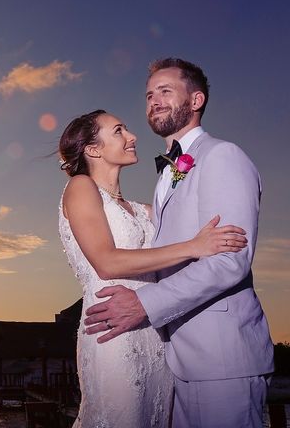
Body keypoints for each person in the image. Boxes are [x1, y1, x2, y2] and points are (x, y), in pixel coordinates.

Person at [83, 58, 274, 428]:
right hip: (175, 358)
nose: (154, 100)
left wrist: (144, 303)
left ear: (196, 100)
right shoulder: (168, 175)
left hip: (222, 357)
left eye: (166, 91)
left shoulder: (222, 156)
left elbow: (229, 260)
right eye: (150, 94)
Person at [58, 109, 248, 427]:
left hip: (154, 334)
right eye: (118, 131)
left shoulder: (141, 210)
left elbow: (178, 201)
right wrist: (194, 246)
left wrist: (184, 159)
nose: (132, 136)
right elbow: (106, 262)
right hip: (113, 335)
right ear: (93, 149)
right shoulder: (81, 187)